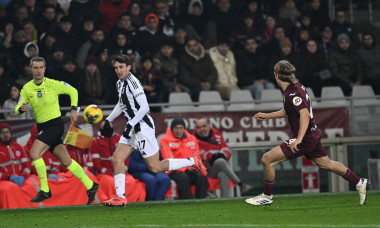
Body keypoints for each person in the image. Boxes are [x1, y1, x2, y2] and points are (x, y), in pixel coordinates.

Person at [245, 60, 369, 206]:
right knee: (326, 163)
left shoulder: (292, 93)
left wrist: (298, 139)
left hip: (306, 138)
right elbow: (289, 111)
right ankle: (359, 182)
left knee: (267, 159)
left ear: (276, 75)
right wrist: (267, 116)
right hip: (312, 134)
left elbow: (304, 114)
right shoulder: (295, 88)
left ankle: (267, 196)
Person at [102, 54, 207, 206]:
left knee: (155, 167)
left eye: (121, 67)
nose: (118, 70)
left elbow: (145, 107)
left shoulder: (134, 83)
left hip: (142, 127)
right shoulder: (120, 83)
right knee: (117, 159)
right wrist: (109, 119)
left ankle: (192, 161)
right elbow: (121, 103)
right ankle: (120, 197)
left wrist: (130, 124)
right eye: (116, 68)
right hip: (133, 127)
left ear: (128, 67)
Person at [15, 56, 99, 204]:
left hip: (55, 125)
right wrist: (21, 109)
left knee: (34, 153)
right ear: (31, 69)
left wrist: (74, 109)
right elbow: (18, 107)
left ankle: (45, 190)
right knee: (66, 161)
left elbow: (73, 91)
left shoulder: (53, 84)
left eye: (41, 67)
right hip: (43, 127)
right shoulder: (27, 88)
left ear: (45, 69)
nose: (39, 70)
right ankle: (91, 185)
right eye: (35, 68)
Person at [194, 118, 253, 197]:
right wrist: (211, 155)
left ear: (209, 126)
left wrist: (223, 154)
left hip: (218, 167)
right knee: (220, 161)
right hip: (205, 169)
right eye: (198, 127)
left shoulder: (216, 133)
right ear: (196, 129)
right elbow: (198, 155)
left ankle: (225, 199)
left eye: (204, 126)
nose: (201, 129)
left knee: (222, 173)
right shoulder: (193, 138)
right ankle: (241, 184)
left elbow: (226, 148)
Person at [160, 118, 209, 199]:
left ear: (184, 129)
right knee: (184, 178)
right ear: (172, 129)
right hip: (173, 170)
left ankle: (201, 202)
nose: (178, 130)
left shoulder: (192, 138)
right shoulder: (165, 140)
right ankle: (187, 203)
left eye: (181, 128)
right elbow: (169, 159)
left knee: (201, 176)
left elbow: (196, 157)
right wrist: (184, 169)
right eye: (176, 128)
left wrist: (192, 168)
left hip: (190, 168)